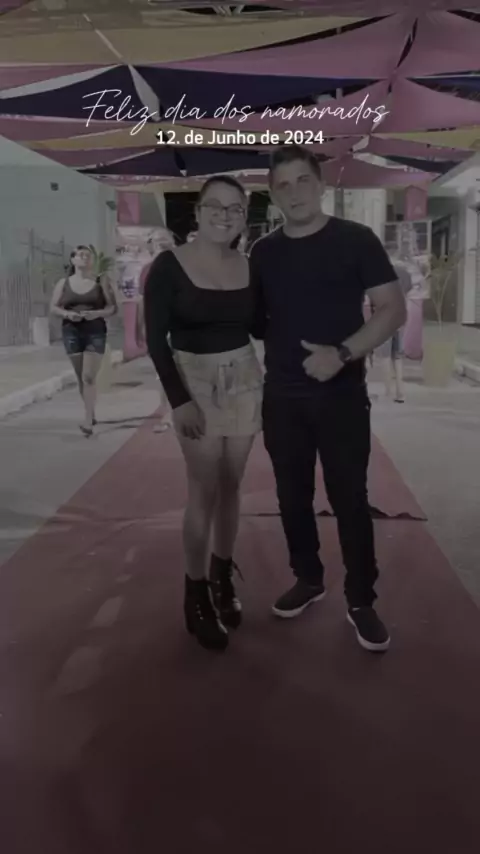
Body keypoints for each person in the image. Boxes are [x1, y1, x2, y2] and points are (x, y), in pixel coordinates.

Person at [249, 144, 406, 653]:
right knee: (291, 496)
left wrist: (341, 354)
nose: (294, 192)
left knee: (349, 498)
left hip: (340, 394)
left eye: (302, 180)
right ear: (273, 195)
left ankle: (361, 600)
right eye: (283, 185)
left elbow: (392, 309)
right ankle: (308, 577)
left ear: (320, 185)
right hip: (282, 396)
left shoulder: (355, 240)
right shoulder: (263, 253)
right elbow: (253, 319)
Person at [143, 175, 263, 652]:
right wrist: (180, 400)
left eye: (235, 209)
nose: (224, 215)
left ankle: (221, 575)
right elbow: (156, 342)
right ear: (198, 211)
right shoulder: (168, 266)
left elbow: (262, 325)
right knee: (204, 487)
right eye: (215, 206)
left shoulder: (249, 265)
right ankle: (195, 594)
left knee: (232, 485)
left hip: (245, 377)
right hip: (193, 380)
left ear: (244, 216)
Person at [50, 245, 117, 436]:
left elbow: (112, 308)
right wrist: (68, 314)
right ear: (73, 260)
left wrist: (96, 313)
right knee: (81, 377)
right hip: (71, 331)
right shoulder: (63, 283)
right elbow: (53, 307)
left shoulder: (101, 280)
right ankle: (90, 411)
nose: (84, 258)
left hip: (95, 332)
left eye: (87, 255)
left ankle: (87, 421)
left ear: (92, 260)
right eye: (80, 255)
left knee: (88, 376)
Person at [136, 232, 176, 431]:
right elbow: (142, 301)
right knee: (164, 370)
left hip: (184, 325)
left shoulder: (185, 266)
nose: (161, 244)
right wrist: (140, 328)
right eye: (156, 241)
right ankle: (167, 413)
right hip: (159, 325)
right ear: (150, 246)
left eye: (165, 241)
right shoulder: (146, 270)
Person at [375, 256, 413, 402]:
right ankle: (401, 392)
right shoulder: (405, 272)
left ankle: (388, 392)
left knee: (384, 355)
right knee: (397, 355)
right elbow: (408, 292)